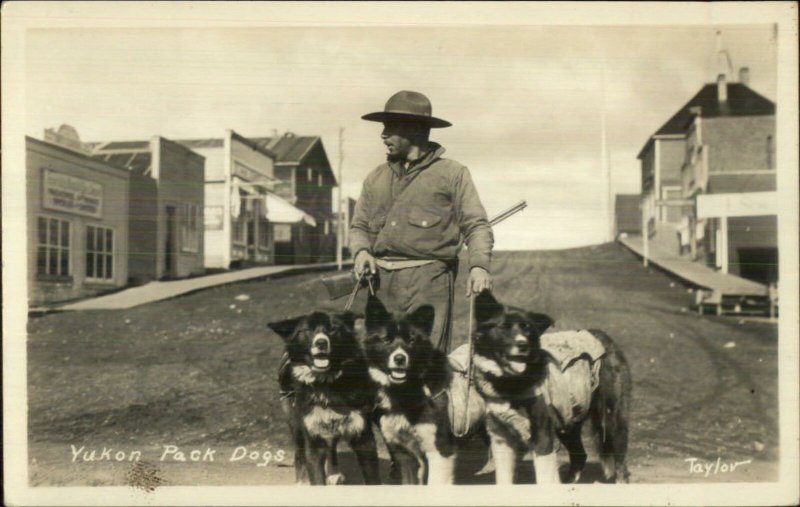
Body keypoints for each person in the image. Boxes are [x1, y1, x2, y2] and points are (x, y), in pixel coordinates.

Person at [349, 90, 494, 352]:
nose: (383, 135)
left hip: (429, 281)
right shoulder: (375, 178)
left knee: (427, 362)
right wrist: (361, 252)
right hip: (380, 283)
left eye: (390, 128)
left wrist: (479, 266)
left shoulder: (452, 174)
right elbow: (358, 226)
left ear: (415, 130)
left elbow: (476, 225)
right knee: (380, 362)